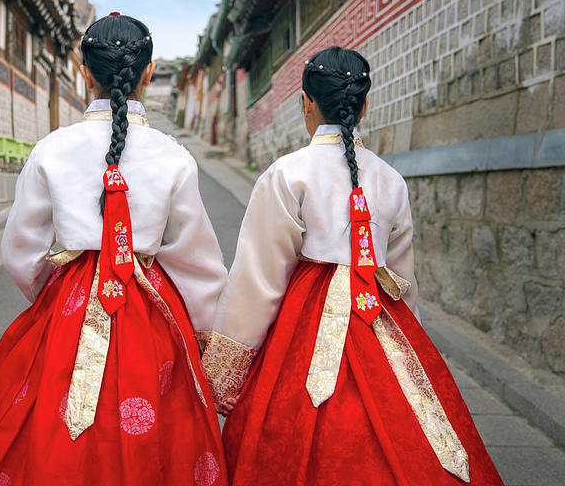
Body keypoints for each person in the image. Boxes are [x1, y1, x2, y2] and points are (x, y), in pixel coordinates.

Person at [0, 14, 228, 486]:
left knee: (40, 416)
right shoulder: (174, 157)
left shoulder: (52, 149)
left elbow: (21, 249)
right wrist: (199, 327)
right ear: (149, 73)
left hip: (69, 303)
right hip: (150, 305)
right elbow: (197, 260)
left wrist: (48, 297)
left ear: (84, 71)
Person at [202, 46, 503, 485]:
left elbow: (260, 278)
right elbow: (402, 280)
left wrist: (225, 368)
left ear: (306, 102)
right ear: (364, 104)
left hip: (303, 324)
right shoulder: (390, 180)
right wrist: (409, 342)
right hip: (379, 318)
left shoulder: (288, 174)